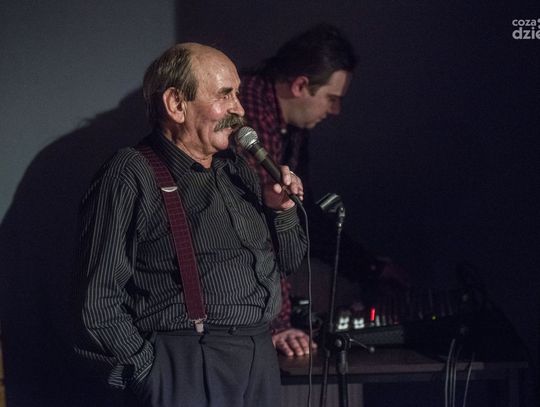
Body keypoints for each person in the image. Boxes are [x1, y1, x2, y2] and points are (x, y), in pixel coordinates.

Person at [76, 43, 307, 407]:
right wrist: (149, 373)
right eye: (224, 95)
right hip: (186, 363)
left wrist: (283, 211)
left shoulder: (237, 171)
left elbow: (290, 262)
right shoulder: (131, 173)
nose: (239, 109)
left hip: (258, 358)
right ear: (176, 104)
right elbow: (96, 301)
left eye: (238, 95)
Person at [239, 24, 408, 358]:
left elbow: (307, 218)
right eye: (332, 98)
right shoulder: (250, 114)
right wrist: (277, 325)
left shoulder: (289, 127)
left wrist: (371, 267)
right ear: (301, 85)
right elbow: (260, 228)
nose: (335, 110)